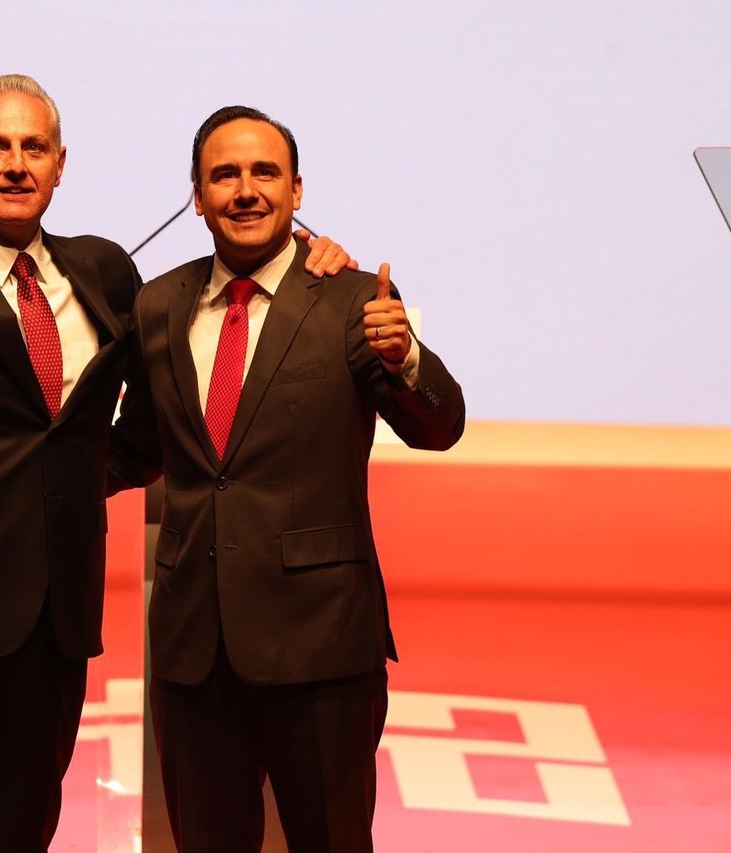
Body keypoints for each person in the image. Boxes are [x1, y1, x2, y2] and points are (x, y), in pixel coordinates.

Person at [0, 77, 351, 852]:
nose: (16, 165)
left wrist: (312, 261)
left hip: (51, 622)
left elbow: (151, 416)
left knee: (22, 836)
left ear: (60, 163)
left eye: (33, 148)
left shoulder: (106, 273)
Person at [108, 105, 466, 851]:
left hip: (323, 649)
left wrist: (405, 360)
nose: (245, 190)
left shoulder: (352, 299)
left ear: (297, 190)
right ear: (197, 195)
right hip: (194, 651)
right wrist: (15, 465)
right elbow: (138, 448)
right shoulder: (159, 304)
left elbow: (441, 426)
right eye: (224, 175)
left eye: (264, 172)